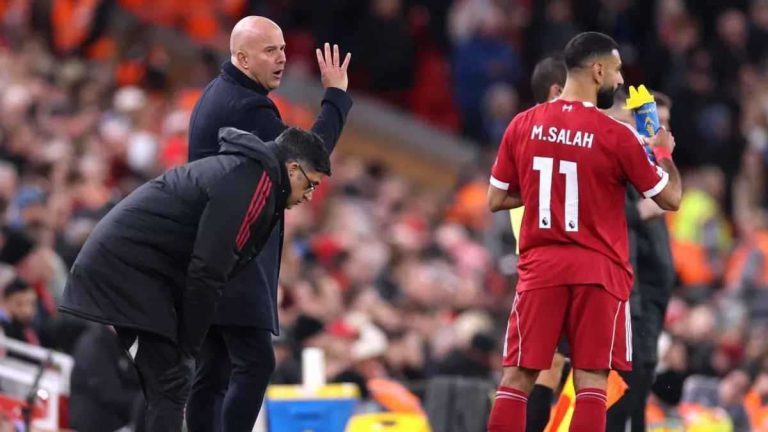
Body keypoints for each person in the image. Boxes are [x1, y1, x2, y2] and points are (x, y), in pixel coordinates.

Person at [60, 127, 331, 432]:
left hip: (138, 270)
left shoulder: (250, 175)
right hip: (129, 271)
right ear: (292, 169)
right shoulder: (252, 182)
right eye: (310, 184)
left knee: (167, 380)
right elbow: (208, 270)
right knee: (172, 378)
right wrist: (190, 343)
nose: (309, 196)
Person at [486, 32, 682, 432]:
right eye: (617, 70)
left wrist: (545, 195)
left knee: (519, 377)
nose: (620, 79)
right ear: (597, 70)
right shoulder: (617, 135)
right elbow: (671, 198)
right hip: (599, 271)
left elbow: (496, 198)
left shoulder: (523, 124)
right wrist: (663, 151)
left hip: (542, 267)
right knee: (592, 381)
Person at [186, 16, 353, 432]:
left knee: (214, 369)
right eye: (269, 51)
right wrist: (335, 97)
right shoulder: (247, 106)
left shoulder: (222, 92)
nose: (281, 58)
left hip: (215, 250)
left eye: (282, 49)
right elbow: (306, 159)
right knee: (255, 362)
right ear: (242, 59)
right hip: (233, 252)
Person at [606, 91, 677, 432]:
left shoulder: (650, 165)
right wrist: (641, 210)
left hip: (652, 296)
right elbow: (610, 213)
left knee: (642, 380)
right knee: (627, 383)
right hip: (633, 292)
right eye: (654, 121)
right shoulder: (626, 160)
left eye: (666, 123)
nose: (660, 130)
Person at [519, 55, 569, 432]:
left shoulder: (522, 130)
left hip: (538, 261)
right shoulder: (549, 135)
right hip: (554, 260)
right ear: (556, 92)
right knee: (549, 367)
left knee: (542, 367)